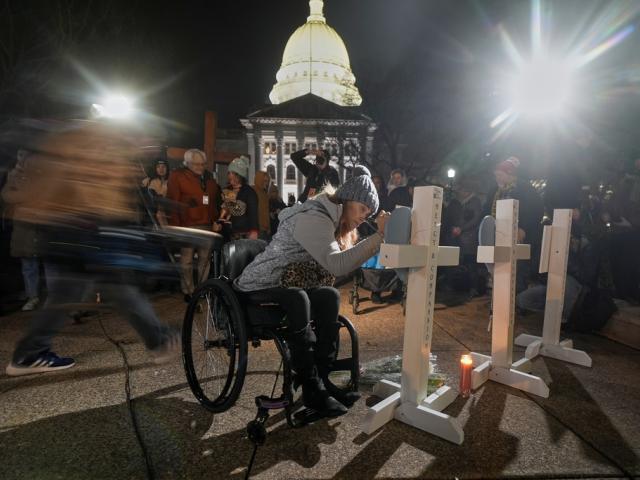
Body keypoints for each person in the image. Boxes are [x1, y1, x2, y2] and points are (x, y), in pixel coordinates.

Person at [5, 122, 179, 376]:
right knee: (117, 289)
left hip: (69, 228)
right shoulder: (102, 144)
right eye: (151, 142)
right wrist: (117, 219)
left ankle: (29, 353)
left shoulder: (96, 141)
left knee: (67, 295)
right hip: (79, 230)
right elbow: (95, 188)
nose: (151, 149)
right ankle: (159, 340)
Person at [235, 171, 389, 418]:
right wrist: (380, 236)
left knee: (329, 296)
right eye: (362, 208)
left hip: (285, 281)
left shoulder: (331, 218)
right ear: (347, 200)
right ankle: (310, 386)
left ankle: (323, 378)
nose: (364, 216)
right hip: (260, 282)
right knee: (299, 299)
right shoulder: (315, 217)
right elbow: (336, 265)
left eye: (368, 213)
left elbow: (335, 268)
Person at [166, 148, 222, 302]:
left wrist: (215, 221)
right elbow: (173, 203)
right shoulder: (177, 176)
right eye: (196, 164)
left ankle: (202, 289)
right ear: (187, 163)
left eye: (202, 164)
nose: (200, 167)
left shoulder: (209, 179)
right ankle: (188, 290)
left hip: (206, 225)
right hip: (187, 226)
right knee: (187, 260)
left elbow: (213, 204)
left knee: (205, 259)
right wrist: (175, 227)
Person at [484, 156, 543, 293]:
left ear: (509, 173)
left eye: (500, 175)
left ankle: (517, 301)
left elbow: (536, 210)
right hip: (498, 233)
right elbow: (486, 210)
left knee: (518, 268)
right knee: (499, 266)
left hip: (519, 235)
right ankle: (499, 297)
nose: (497, 178)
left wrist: (523, 228)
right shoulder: (494, 191)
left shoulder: (526, 188)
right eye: (496, 175)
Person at [1, 149, 43, 311]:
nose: (22, 158)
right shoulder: (13, 175)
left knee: (46, 261)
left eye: (25, 155)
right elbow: (6, 195)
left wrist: (21, 195)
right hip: (23, 224)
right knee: (27, 262)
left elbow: (39, 194)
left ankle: (51, 296)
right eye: (19, 155)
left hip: (40, 222)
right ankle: (32, 295)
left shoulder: (41, 174)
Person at [219, 156, 258, 240]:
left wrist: (254, 230)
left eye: (233, 173)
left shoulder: (249, 192)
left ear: (240, 175)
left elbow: (253, 213)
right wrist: (218, 223)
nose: (230, 175)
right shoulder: (226, 190)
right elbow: (222, 210)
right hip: (227, 233)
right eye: (229, 173)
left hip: (243, 233)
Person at [141, 158, 170, 225]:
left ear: (167, 168)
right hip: (152, 214)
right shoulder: (148, 181)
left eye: (163, 167)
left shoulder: (172, 181)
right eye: (158, 167)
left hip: (167, 213)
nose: (161, 169)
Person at [252, 169, 271, 240]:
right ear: (259, 180)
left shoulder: (264, 194)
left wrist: (268, 227)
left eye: (267, 181)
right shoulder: (252, 191)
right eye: (265, 181)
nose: (266, 183)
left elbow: (266, 212)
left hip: (264, 229)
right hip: (257, 229)